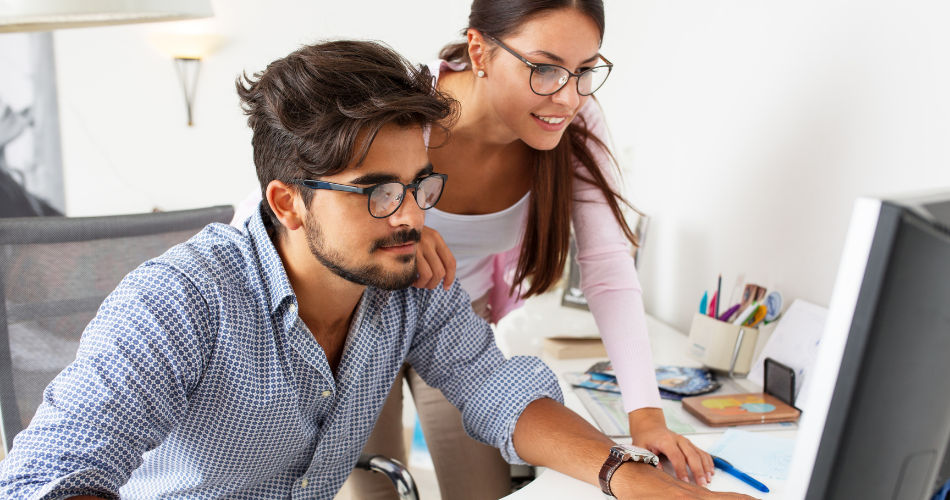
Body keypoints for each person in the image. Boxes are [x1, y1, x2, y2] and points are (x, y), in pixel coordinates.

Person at [0, 40, 750, 500]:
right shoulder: (179, 302)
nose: (411, 217)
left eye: (420, 185)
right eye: (375, 192)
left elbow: (497, 391)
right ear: (288, 203)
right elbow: (46, 478)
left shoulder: (408, 283)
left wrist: (633, 479)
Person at [231, 2, 713, 499]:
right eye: (544, 68)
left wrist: (646, 424)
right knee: (375, 489)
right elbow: (273, 209)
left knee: (484, 486)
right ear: (479, 49)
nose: (568, 96)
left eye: (585, 70)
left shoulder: (573, 124)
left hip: (451, 324)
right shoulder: (408, 111)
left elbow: (608, 270)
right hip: (362, 329)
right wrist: (409, 229)